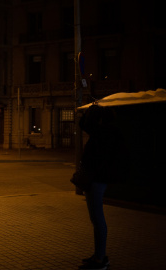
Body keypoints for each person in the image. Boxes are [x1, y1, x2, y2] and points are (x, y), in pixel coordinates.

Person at [78, 104, 127, 270]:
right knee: (96, 219)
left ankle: (100, 260)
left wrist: (91, 110)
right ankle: (99, 256)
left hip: (96, 180)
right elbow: (84, 125)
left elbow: (84, 125)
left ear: (100, 119)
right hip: (98, 179)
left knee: (97, 219)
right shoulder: (110, 132)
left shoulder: (103, 134)